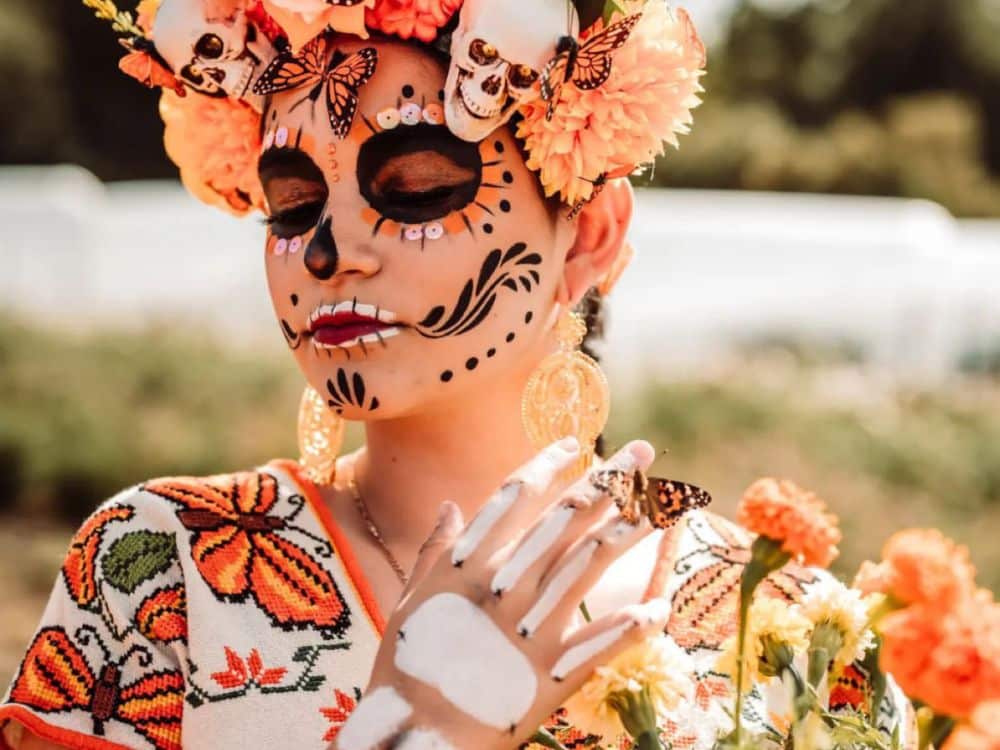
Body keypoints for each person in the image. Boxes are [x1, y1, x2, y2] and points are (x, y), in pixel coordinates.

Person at [0, 1, 911, 749]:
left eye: (417, 189)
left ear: (590, 235)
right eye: (291, 205)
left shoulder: (789, 630)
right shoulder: (162, 570)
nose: (327, 252)